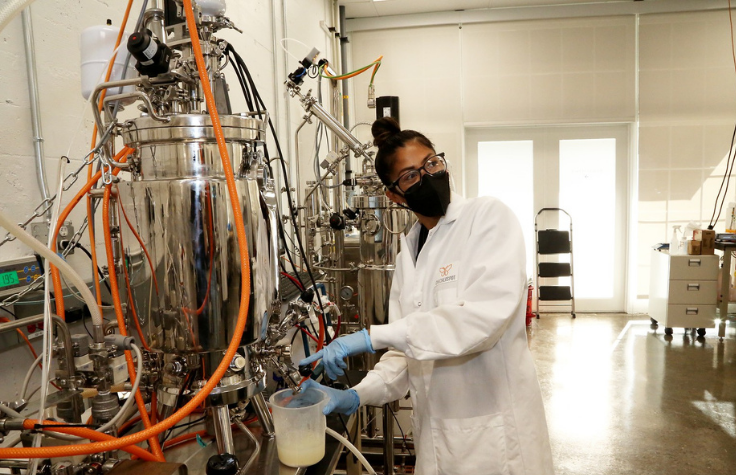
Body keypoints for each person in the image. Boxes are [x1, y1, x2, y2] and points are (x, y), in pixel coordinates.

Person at [299, 117, 554, 475]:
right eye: (410, 175)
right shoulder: (409, 254)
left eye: (431, 163)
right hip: (435, 441)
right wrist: (359, 393)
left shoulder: (487, 217)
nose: (428, 176)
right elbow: (405, 351)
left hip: (495, 440)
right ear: (393, 194)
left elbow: (481, 322)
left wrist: (371, 336)